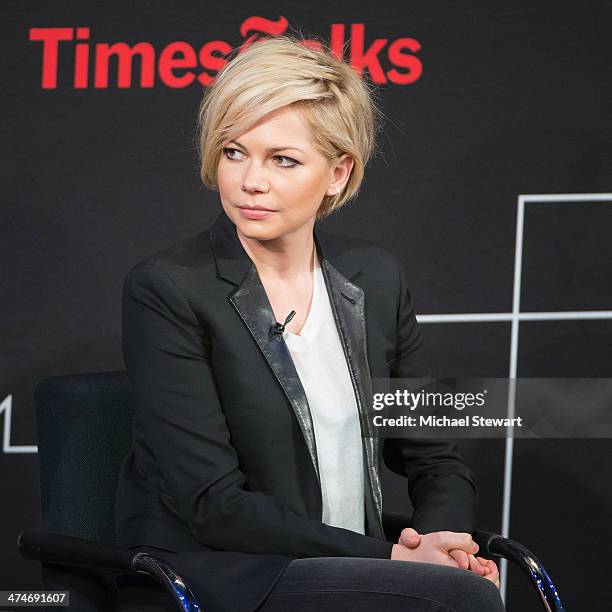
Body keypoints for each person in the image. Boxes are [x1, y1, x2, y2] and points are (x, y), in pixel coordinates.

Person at [115, 33, 505, 611]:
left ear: (338, 173)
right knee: (460, 601)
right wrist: (399, 562)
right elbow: (215, 506)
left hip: (351, 568)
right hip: (228, 576)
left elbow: (433, 454)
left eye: (284, 160)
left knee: (465, 585)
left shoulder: (375, 277)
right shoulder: (169, 288)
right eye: (234, 152)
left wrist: (444, 544)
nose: (250, 181)